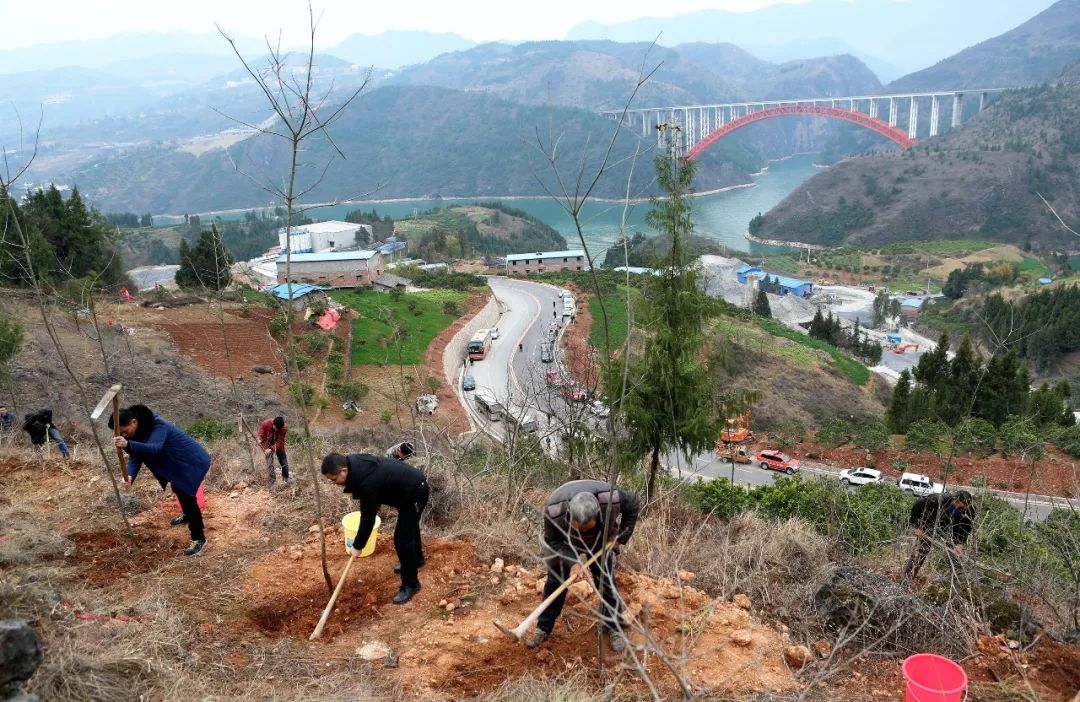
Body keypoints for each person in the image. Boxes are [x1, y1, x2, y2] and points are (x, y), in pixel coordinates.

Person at [527, 479, 640, 652]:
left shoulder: (609, 499)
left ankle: (614, 626)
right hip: (564, 543)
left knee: (605, 581)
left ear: (597, 515)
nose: (582, 533)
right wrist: (572, 562)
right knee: (555, 581)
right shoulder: (554, 511)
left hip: (600, 540)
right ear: (570, 517)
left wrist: (619, 537)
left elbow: (633, 502)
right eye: (578, 528)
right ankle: (543, 627)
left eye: (586, 528)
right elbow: (553, 541)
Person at [321, 452, 429, 604]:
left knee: (402, 538)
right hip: (407, 490)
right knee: (409, 528)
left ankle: (411, 584)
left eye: (334, 479)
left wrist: (358, 546)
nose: (334, 483)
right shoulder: (354, 464)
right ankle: (416, 559)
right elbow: (377, 484)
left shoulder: (366, 481)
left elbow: (368, 518)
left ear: (343, 471)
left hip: (415, 493)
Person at [110, 405, 211, 557]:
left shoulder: (158, 426)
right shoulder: (134, 435)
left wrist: (127, 445)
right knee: (179, 490)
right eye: (121, 434)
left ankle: (199, 539)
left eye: (125, 431)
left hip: (191, 462)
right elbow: (136, 456)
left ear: (134, 422)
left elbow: (154, 448)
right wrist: (130, 475)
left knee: (186, 495)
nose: (125, 435)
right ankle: (187, 515)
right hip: (175, 465)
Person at [902, 490, 975, 587]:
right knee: (921, 552)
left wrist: (960, 543)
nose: (962, 510)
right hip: (930, 524)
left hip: (950, 530)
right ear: (954, 499)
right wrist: (917, 527)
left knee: (955, 557)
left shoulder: (968, 511)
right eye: (961, 507)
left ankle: (954, 585)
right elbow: (917, 506)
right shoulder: (936, 500)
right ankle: (906, 580)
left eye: (964, 508)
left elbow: (966, 527)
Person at [257, 416, 291, 486]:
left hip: (278, 445)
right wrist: (259, 438)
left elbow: (279, 441)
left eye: (277, 428)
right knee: (269, 463)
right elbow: (261, 432)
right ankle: (272, 482)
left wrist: (272, 449)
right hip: (268, 442)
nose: (275, 428)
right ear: (273, 423)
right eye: (274, 426)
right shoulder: (266, 423)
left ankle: (286, 479)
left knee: (284, 461)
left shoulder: (284, 428)